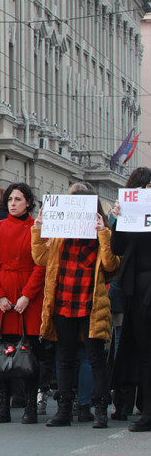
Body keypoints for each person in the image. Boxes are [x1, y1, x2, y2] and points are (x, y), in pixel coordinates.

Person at [32, 182, 119, 428]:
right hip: (63, 300)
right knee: (65, 357)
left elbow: (112, 264)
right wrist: (37, 230)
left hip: (90, 303)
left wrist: (103, 231)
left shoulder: (102, 233)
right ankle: (64, 410)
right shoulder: (60, 234)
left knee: (95, 358)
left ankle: (99, 409)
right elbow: (40, 258)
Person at [0, 182, 45, 425]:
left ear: (28, 202)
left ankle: (30, 405)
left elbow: (42, 264)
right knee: (2, 353)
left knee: (29, 354)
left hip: (27, 295)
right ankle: (3, 406)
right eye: (10, 199)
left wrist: (27, 295)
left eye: (18, 199)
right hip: (3, 296)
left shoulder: (37, 227)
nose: (12, 203)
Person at [108, 167, 151, 432]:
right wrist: (117, 221)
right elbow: (117, 249)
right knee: (144, 350)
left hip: (145, 284)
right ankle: (146, 411)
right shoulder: (132, 215)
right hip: (136, 288)